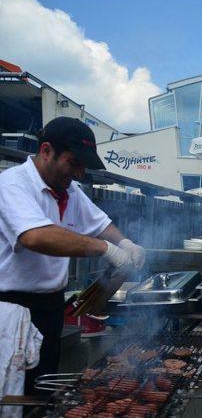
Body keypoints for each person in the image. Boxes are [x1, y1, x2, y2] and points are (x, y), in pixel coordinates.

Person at [0, 117, 145, 394]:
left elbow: (100, 223)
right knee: (11, 391)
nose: (79, 173)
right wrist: (105, 249)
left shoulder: (68, 191)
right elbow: (35, 236)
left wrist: (126, 243)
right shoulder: (11, 185)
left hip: (49, 307)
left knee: (42, 388)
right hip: (9, 308)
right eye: (73, 162)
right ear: (45, 151)